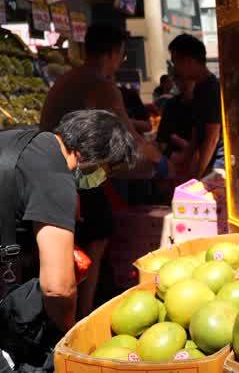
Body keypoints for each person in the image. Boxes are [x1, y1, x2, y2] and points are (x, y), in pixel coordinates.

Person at [0, 110, 140, 368]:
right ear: (90, 155)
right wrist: (69, 335)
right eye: (106, 169)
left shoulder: (25, 142)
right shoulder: (55, 177)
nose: (103, 179)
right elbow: (58, 286)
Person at [37, 23, 158, 318]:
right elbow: (127, 140)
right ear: (114, 53)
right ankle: (84, 315)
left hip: (50, 171)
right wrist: (158, 160)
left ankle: (77, 311)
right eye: (122, 56)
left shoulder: (69, 78)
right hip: (70, 176)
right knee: (98, 232)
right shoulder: (100, 84)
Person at [168, 34, 223, 182]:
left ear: (188, 61)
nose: (175, 68)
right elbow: (197, 133)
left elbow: (212, 137)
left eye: (175, 62)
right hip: (208, 163)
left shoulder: (211, 89)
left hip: (217, 167)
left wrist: (199, 174)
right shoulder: (199, 87)